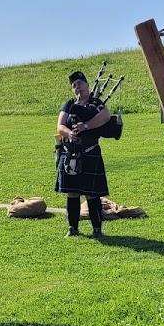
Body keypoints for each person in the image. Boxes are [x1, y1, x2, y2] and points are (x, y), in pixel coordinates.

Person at [56, 70, 114, 238]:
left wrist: (85, 126)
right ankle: (73, 228)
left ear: (87, 85)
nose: (77, 87)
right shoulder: (68, 104)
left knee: (92, 193)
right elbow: (60, 126)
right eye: (74, 85)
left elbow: (106, 116)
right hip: (71, 154)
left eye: (80, 83)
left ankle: (97, 229)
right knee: (72, 192)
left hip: (90, 152)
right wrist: (69, 133)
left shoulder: (96, 103)